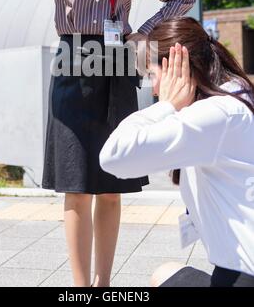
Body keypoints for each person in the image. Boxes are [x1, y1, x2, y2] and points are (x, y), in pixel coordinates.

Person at [0, 0, 195, 287]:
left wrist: (143, 32)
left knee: (112, 185)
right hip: (73, 58)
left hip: (116, 62)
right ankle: (81, 289)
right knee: (76, 185)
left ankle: (103, 285)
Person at [100, 17, 254, 287]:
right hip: (235, 271)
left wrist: (166, 106)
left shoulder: (216, 114)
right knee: (165, 273)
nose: (155, 89)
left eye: (152, 76)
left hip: (242, 276)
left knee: (163, 277)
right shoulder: (236, 96)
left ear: (176, 68)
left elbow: (114, 156)